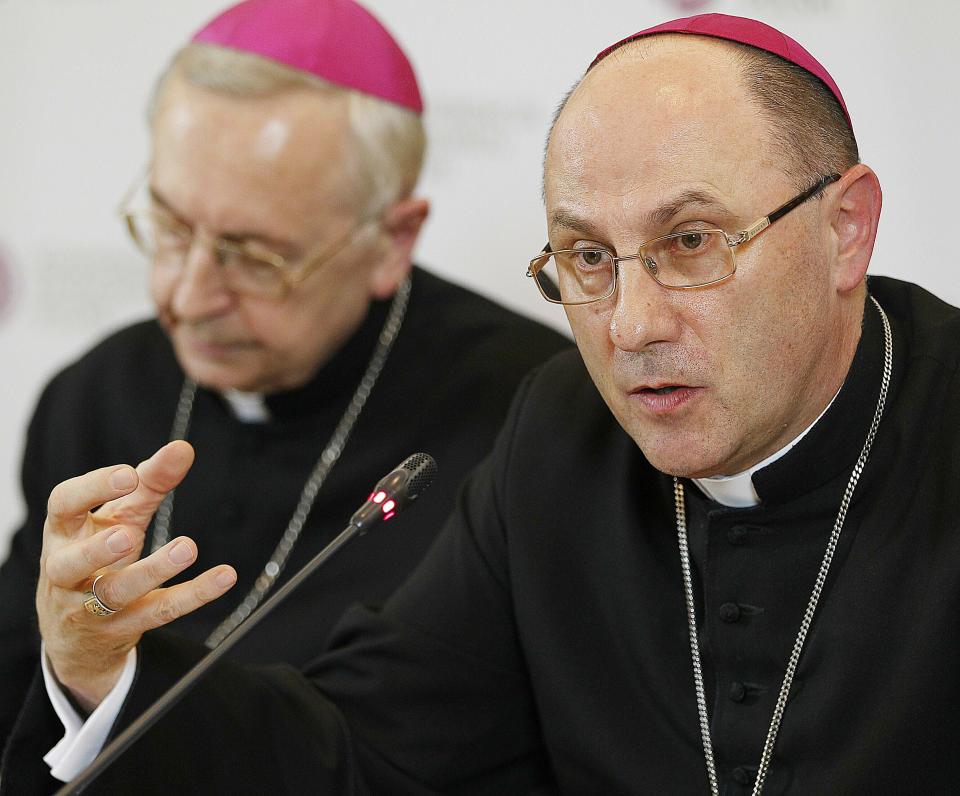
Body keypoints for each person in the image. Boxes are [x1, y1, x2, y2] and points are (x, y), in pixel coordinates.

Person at [6, 11, 960, 795]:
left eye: (693, 242)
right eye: (587, 258)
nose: (629, 329)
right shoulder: (561, 430)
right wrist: (101, 669)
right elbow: (369, 755)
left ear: (846, 228)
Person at [0, 0, 570, 769]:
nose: (188, 295)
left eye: (254, 256)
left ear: (391, 239)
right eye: (170, 228)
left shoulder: (536, 418)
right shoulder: (94, 394)